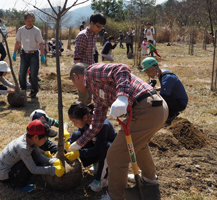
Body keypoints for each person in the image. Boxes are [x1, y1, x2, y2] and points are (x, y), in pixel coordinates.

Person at [69, 62, 168, 200]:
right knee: (138, 146)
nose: (77, 89)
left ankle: (115, 196)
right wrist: (78, 143)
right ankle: (149, 178)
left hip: (146, 107)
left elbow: (121, 68)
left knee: (115, 155)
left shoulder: (91, 72)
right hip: (156, 107)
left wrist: (122, 96)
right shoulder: (96, 93)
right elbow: (97, 122)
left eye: (74, 84)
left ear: (76, 76)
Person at [0, 119, 65, 192]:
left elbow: (38, 156)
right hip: (4, 174)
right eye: (45, 138)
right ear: (35, 137)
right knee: (32, 161)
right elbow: (33, 169)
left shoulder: (30, 139)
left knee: (34, 158)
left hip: (7, 168)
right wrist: (53, 170)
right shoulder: (23, 148)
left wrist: (52, 161)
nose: (46, 140)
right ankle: (15, 185)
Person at [65, 102, 117, 192]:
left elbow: (98, 149)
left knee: (106, 146)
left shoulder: (103, 125)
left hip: (111, 155)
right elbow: (80, 136)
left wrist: (78, 153)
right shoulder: (86, 122)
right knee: (76, 135)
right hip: (97, 149)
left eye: (75, 122)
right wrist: (69, 142)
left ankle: (103, 179)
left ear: (85, 117)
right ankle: (97, 163)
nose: (74, 124)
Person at [142, 57, 188, 126]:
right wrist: (159, 88)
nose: (148, 74)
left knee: (157, 100)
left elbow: (163, 97)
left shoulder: (167, 78)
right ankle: (171, 112)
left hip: (180, 103)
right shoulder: (163, 72)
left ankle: (171, 115)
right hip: (174, 98)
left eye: (149, 71)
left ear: (156, 67)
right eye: (146, 72)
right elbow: (170, 85)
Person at [74, 12, 106, 105]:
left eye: (101, 27)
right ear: (91, 23)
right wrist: (79, 77)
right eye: (98, 26)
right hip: (81, 72)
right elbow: (77, 57)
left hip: (90, 71)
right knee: (83, 98)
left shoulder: (93, 35)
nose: (100, 29)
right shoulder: (83, 36)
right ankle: (79, 117)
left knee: (89, 97)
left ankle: (86, 117)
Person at [12, 12, 45, 98]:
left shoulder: (36, 31)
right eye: (29, 20)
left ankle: (34, 91)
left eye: (32, 20)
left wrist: (42, 55)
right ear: (24, 20)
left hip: (34, 54)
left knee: (33, 74)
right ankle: (23, 89)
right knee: (22, 73)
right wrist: (14, 52)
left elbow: (41, 43)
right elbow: (17, 42)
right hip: (24, 54)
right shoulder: (21, 30)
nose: (31, 22)